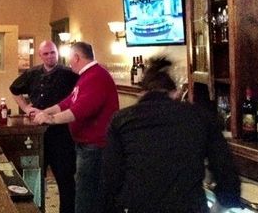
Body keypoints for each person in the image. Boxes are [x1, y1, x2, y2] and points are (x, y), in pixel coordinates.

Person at [101, 57, 241, 213]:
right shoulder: (199, 116)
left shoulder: (121, 120)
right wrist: (223, 203)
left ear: (142, 94)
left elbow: (111, 177)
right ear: (176, 93)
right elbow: (225, 168)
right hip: (189, 207)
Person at [34, 42, 119, 213]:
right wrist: (45, 111)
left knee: (86, 196)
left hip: (95, 147)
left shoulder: (96, 76)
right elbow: (67, 103)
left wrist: (50, 119)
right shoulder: (86, 76)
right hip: (86, 145)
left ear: (77, 57)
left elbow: (79, 111)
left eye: (70, 58)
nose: (68, 62)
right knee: (83, 191)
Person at [10, 40, 79, 213]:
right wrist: (26, 107)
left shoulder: (69, 73)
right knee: (35, 175)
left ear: (58, 53)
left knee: (65, 178)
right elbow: (14, 89)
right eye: (46, 53)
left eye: (53, 53)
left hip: (62, 131)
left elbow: (79, 95)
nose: (50, 56)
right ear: (40, 56)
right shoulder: (32, 73)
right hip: (36, 132)